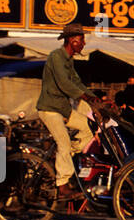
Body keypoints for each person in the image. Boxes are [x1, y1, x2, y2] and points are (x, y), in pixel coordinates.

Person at [36, 23, 95, 200]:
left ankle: (66, 155)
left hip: (62, 109)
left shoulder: (69, 60)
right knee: (63, 143)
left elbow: (77, 83)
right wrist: (84, 97)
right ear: (71, 40)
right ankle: (62, 185)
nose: (83, 44)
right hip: (49, 108)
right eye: (81, 40)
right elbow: (65, 83)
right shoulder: (56, 57)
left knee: (88, 127)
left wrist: (95, 98)